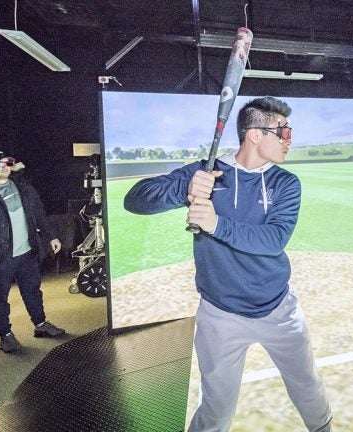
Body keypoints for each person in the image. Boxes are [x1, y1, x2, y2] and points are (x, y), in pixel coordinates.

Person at [124, 96, 333, 432]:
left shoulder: (285, 183)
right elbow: (135, 200)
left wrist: (214, 223)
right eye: (284, 131)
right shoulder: (204, 173)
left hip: (278, 310)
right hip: (219, 315)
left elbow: (274, 240)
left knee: (307, 386)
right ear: (255, 135)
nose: (289, 140)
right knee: (217, 409)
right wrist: (187, 190)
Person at [0, 151, 65, 353]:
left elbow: (39, 214)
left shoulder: (24, 188)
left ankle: (41, 324)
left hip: (27, 253)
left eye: (8, 163)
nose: (4, 166)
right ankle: (5, 335)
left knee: (33, 291)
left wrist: (52, 235)